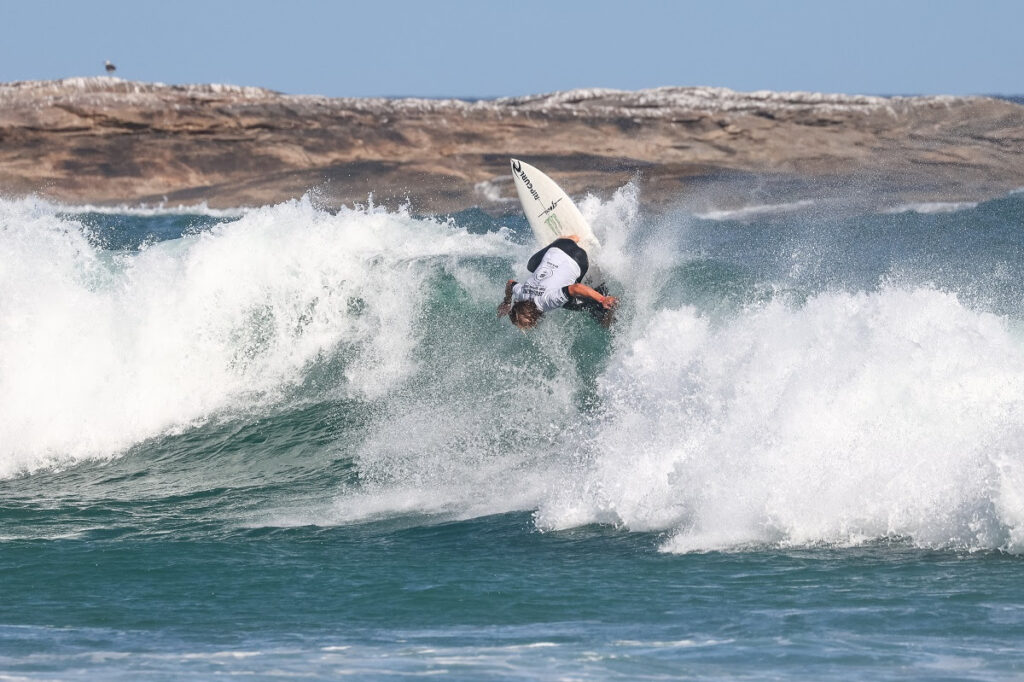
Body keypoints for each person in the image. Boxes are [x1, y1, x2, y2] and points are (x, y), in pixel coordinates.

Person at [497, 235, 617, 329]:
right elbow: (510, 283)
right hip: (560, 245)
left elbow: (575, 288)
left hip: (579, 258)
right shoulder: (521, 293)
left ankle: (603, 306)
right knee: (532, 265)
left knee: (569, 303)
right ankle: (572, 239)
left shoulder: (547, 302)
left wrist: (602, 299)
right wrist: (507, 302)